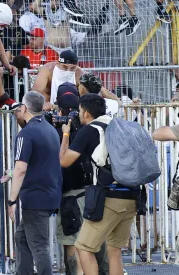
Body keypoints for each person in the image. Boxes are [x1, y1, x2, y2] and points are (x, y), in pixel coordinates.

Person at [59, 94, 137, 275]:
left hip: (110, 196)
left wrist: (65, 133)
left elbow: (64, 161)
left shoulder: (90, 130)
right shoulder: (119, 125)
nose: (78, 115)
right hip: (132, 195)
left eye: (79, 111)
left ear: (86, 112)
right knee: (114, 250)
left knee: (84, 247)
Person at [52, 83, 109, 275]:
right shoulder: (101, 126)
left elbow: (63, 161)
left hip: (71, 197)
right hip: (97, 194)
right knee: (97, 244)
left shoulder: (62, 130)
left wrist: (65, 133)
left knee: (75, 245)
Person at [5, 91, 61, 275]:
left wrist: (12, 200)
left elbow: (21, 168)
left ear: (24, 108)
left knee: (39, 246)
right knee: (22, 239)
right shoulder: (50, 129)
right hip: (49, 193)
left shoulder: (26, 134)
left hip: (36, 197)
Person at [32, 50, 119, 110]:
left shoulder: (79, 73)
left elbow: (100, 88)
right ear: (58, 64)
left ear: (77, 66)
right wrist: (43, 104)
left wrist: (118, 101)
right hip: (48, 109)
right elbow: (34, 93)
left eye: (72, 68)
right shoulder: (47, 70)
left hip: (71, 109)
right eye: (64, 67)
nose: (68, 71)